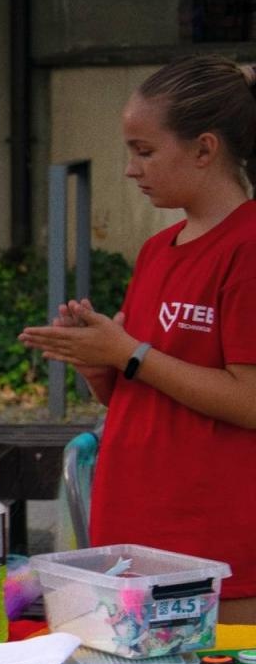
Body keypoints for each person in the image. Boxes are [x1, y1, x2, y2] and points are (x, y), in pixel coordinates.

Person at [21, 55, 256, 623]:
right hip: (134, 545)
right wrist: (98, 362)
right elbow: (139, 391)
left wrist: (129, 354)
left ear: (205, 149)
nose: (130, 170)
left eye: (144, 151)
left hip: (217, 555)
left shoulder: (246, 247)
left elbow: (249, 400)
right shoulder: (157, 250)